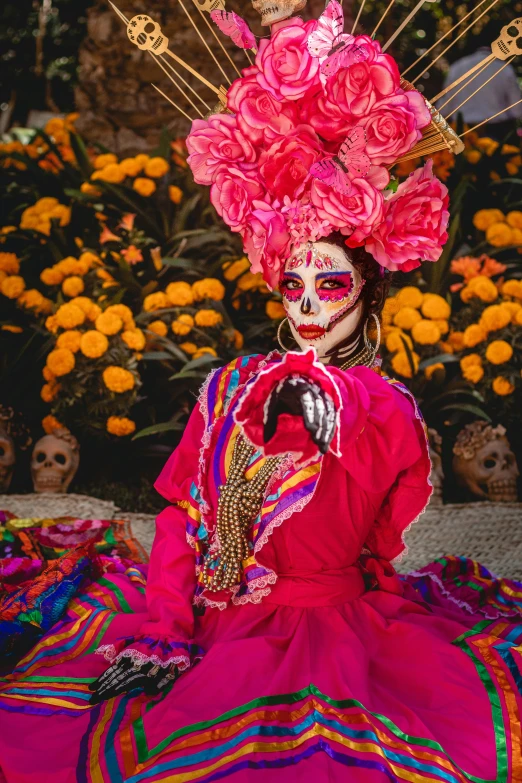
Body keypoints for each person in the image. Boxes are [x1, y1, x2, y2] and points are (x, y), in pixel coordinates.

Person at [1, 5, 522, 782]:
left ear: (368, 289)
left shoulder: (387, 410)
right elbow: (183, 518)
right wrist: (166, 627)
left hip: (347, 630)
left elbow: (383, 538)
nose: (308, 302)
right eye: (293, 282)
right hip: (224, 626)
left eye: (331, 281)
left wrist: (340, 423)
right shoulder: (230, 390)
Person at [441, 20, 522, 140]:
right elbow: (517, 110)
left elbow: (445, 108)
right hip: (496, 134)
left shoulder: (457, 67)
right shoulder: (504, 69)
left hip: (461, 133)